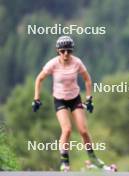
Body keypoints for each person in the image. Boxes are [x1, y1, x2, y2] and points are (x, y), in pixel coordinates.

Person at [32, 36, 116, 172]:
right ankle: (64, 162)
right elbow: (39, 79)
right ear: (58, 51)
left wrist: (89, 99)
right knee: (67, 129)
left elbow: (87, 80)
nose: (66, 54)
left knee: (83, 130)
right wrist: (36, 98)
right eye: (63, 51)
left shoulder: (77, 63)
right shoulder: (52, 64)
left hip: (75, 99)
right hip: (59, 99)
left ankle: (93, 159)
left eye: (69, 51)